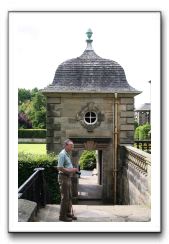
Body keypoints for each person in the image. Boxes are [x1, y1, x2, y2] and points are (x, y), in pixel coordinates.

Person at [57, 139, 78, 222]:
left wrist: (72, 170)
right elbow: (60, 168)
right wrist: (71, 170)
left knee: (69, 196)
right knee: (65, 198)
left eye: (72, 146)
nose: (72, 148)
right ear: (66, 145)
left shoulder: (66, 154)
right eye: (71, 146)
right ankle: (62, 216)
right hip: (63, 177)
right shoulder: (62, 154)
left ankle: (68, 213)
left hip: (67, 177)